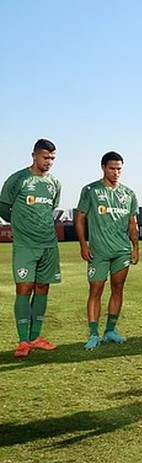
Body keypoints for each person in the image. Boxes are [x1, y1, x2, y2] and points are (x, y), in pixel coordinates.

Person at [0, 139, 62, 357]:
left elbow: (51, 209)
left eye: (53, 158)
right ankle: (23, 341)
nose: (49, 162)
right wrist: (20, 224)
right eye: (45, 157)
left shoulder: (55, 183)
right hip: (25, 245)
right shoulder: (18, 180)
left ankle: (36, 337)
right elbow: (4, 207)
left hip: (49, 244)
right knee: (24, 289)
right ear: (34, 155)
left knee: (43, 288)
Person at [74, 151, 140, 350]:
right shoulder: (91, 191)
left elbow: (132, 223)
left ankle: (110, 331)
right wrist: (83, 244)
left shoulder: (128, 194)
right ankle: (93, 333)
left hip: (121, 251)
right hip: (99, 252)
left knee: (118, 288)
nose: (116, 172)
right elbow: (80, 218)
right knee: (96, 290)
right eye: (112, 168)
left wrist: (135, 247)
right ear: (103, 167)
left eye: (119, 169)